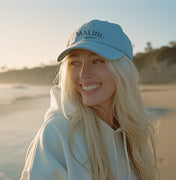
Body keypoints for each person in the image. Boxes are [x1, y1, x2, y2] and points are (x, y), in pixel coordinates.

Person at [20, 20, 158, 180]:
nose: (83, 74)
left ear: (123, 70)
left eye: (97, 61)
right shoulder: (56, 133)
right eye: (75, 63)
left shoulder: (130, 132)